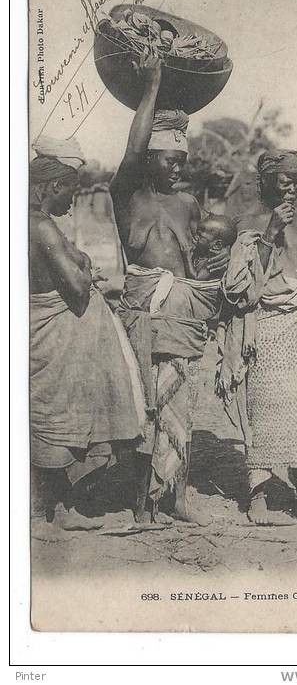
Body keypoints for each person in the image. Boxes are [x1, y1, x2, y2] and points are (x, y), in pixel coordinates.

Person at [110, 51, 229, 525]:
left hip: (180, 310)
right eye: (169, 159)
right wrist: (151, 88)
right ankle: (140, 503)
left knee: (180, 403)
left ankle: (176, 497)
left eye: (182, 159)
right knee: (143, 403)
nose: (177, 167)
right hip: (141, 310)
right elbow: (131, 153)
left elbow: (197, 260)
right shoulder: (128, 197)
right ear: (151, 159)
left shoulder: (188, 204)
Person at [216, 149, 297, 526]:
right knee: (263, 402)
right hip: (264, 321)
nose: (292, 188)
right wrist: (269, 234)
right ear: (264, 181)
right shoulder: (245, 223)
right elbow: (240, 286)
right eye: (285, 180)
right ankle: (257, 496)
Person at [30, 136, 145, 530]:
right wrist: (83, 270)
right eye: (70, 193)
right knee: (58, 414)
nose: (72, 202)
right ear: (52, 187)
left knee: (51, 413)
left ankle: (55, 506)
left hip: (45, 333)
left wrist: (77, 261)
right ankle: (57, 508)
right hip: (52, 332)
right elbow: (77, 291)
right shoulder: (41, 227)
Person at [190, 213, 237, 279]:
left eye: (200, 236)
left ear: (217, 245)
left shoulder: (213, 260)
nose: (195, 237)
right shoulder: (202, 253)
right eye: (197, 232)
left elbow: (197, 277)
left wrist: (186, 256)